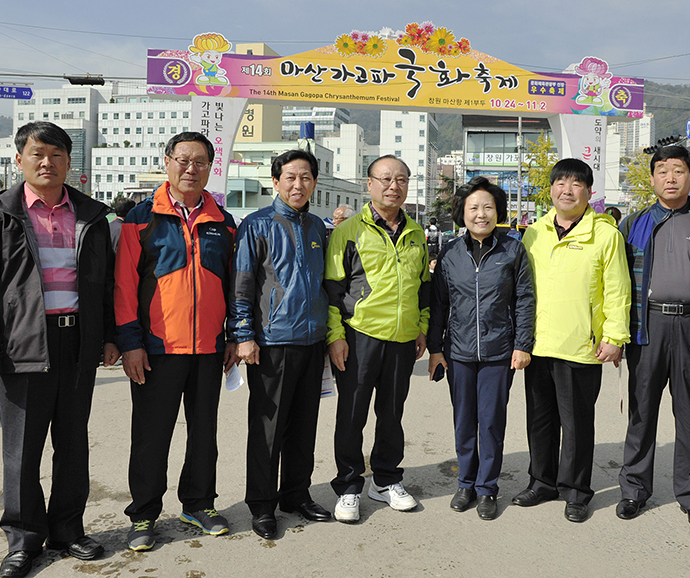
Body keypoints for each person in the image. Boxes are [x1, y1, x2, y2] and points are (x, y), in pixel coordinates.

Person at [0, 121, 118, 578]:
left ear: (70, 162)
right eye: (37, 154)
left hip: (77, 344)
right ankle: (23, 539)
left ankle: (68, 529)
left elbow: (104, 286)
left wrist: (107, 336)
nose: (46, 162)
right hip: (19, 345)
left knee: (73, 443)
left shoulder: (91, 214)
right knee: (22, 448)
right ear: (19, 160)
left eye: (56, 154)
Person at [115, 132, 237, 551]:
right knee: (151, 434)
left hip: (208, 348)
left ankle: (199, 503)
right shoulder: (141, 218)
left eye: (200, 161)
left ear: (210, 167)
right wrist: (131, 343)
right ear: (167, 161)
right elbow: (124, 287)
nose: (191, 168)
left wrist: (233, 339)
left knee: (205, 431)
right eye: (183, 159)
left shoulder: (223, 221)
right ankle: (144, 513)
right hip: (155, 349)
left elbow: (236, 285)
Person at [615, 145, 690, 532]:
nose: (670, 178)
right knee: (641, 414)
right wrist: (615, 335)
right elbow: (614, 285)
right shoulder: (631, 225)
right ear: (651, 179)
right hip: (645, 330)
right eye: (663, 171)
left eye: (678, 170)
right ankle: (634, 490)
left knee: (689, 417)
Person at [514, 158, 630, 524]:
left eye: (576, 184)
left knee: (577, 424)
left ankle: (576, 491)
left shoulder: (606, 235)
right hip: (538, 346)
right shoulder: (534, 233)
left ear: (589, 192)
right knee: (540, 420)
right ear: (550, 190)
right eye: (560, 183)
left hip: (582, 346)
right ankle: (542, 481)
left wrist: (614, 337)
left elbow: (617, 291)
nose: (567, 189)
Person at [226, 149, 332, 540]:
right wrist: (244, 336)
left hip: (312, 340)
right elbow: (242, 285)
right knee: (268, 428)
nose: (298, 184)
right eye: (290, 177)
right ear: (276, 182)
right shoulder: (256, 225)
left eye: (305, 177)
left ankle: (296, 495)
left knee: (304, 426)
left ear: (314, 183)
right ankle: (262, 505)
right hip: (271, 342)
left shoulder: (319, 228)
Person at [324, 154, 430, 523]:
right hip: (359, 336)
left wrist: (422, 327)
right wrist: (336, 336)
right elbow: (333, 290)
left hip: (402, 338)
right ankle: (350, 485)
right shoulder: (348, 231)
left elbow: (424, 287)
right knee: (352, 414)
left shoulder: (417, 232)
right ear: (368, 184)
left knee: (392, 413)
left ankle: (385, 480)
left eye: (401, 179)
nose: (393, 186)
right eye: (385, 179)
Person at [427, 176, 534, 521]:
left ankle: (487, 488)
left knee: (490, 422)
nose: (481, 214)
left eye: (488, 207)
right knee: (464, 421)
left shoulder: (512, 250)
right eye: (474, 208)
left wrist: (522, 345)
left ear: (498, 212)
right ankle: (465, 483)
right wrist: (435, 348)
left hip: (498, 352)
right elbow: (439, 304)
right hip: (458, 352)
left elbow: (524, 300)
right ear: (462, 213)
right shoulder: (449, 253)